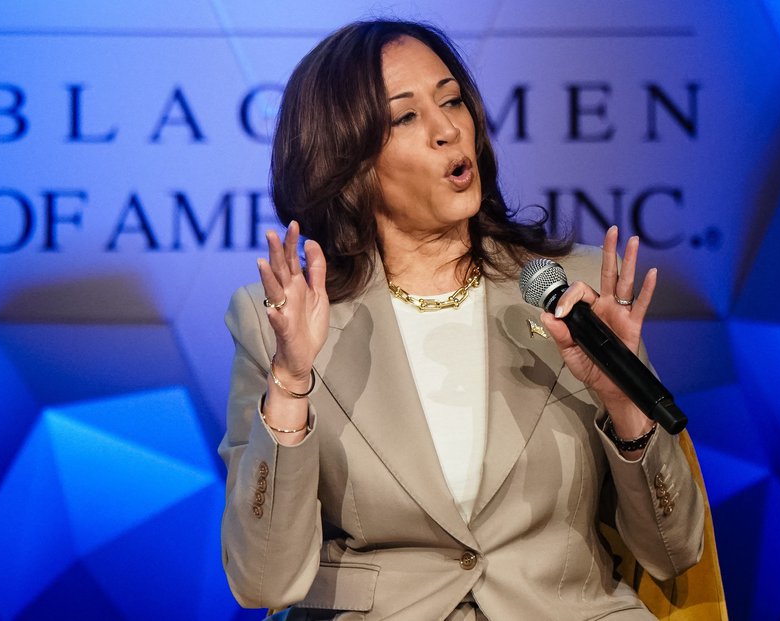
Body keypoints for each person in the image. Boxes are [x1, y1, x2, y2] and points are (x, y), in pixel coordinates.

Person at [219, 19, 704, 621]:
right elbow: (262, 581)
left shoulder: (569, 294)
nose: (449, 129)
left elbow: (674, 550)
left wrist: (622, 400)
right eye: (406, 117)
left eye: (452, 101)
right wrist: (292, 382)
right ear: (347, 163)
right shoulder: (280, 324)